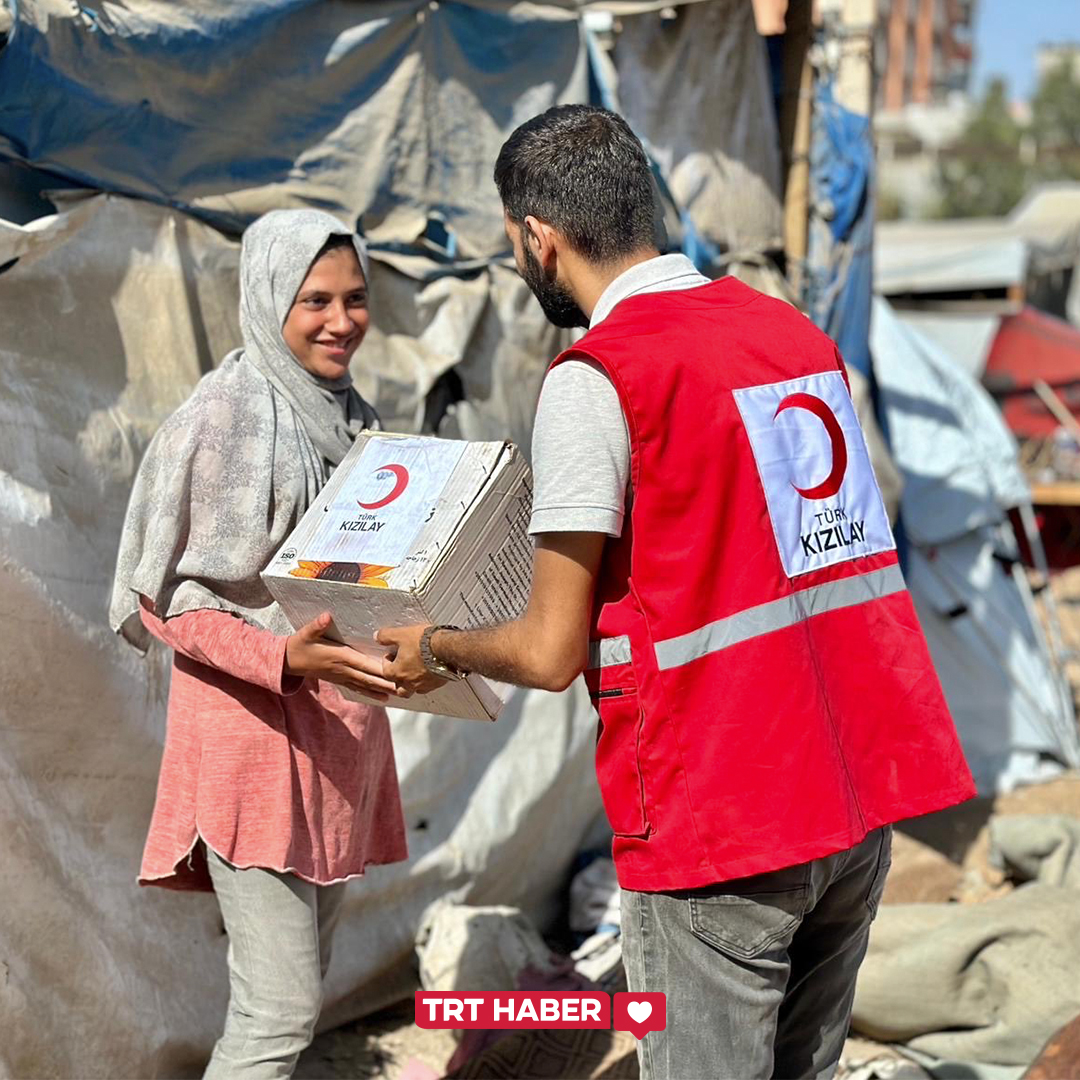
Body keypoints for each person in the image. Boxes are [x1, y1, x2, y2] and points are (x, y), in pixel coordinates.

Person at [379, 106, 976, 1080]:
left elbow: (548, 651)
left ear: (539, 237)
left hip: (725, 818)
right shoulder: (788, 334)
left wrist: (437, 646)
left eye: (514, 245)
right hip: (856, 793)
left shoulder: (599, 377)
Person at [110, 209, 408, 1080]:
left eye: (356, 298)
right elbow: (169, 600)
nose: (342, 321)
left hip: (338, 744)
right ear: (268, 298)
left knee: (297, 993)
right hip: (253, 749)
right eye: (315, 300)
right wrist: (284, 658)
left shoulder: (356, 422)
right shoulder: (225, 419)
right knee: (277, 1014)